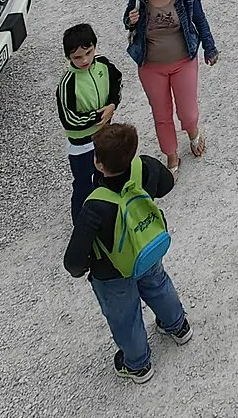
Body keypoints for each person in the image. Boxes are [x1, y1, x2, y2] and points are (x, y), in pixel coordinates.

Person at [63, 121, 191, 384]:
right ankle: (178, 326)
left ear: (98, 164)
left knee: (124, 316)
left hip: (112, 273)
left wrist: (83, 268)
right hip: (147, 249)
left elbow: (73, 261)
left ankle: (138, 364)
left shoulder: (95, 204)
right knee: (159, 285)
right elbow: (166, 183)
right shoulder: (143, 166)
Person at [122, 0, 218, 172]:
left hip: (183, 61)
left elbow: (200, 20)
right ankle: (171, 156)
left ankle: (193, 132)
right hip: (150, 66)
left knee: (187, 112)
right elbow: (128, 21)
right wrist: (129, 20)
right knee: (161, 114)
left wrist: (209, 48)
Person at [57, 23, 123, 223]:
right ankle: (81, 223)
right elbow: (68, 119)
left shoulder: (103, 65)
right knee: (84, 183)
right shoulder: (67, 84)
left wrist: (112, 104)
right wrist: (96, 117)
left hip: (104, 136)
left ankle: (109, 214)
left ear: (95, 46)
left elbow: (116, 82)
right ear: (68, 57)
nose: (84, 60)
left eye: (88, 52)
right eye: (77, 57)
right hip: (82, 145)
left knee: (108, 175)